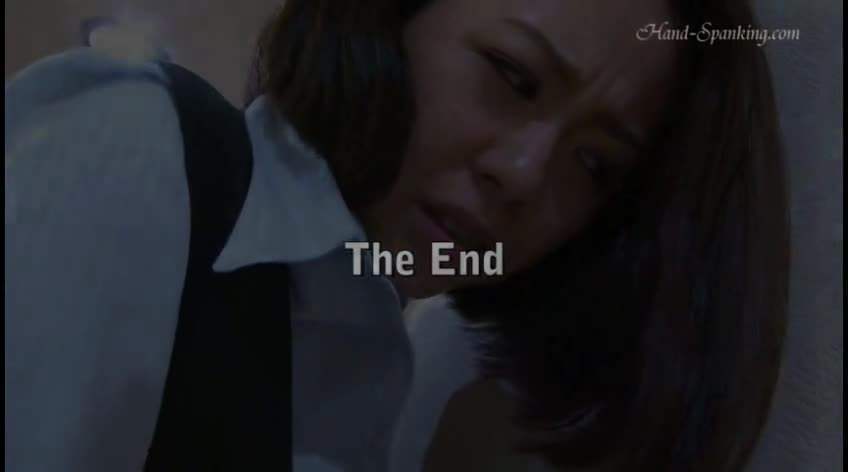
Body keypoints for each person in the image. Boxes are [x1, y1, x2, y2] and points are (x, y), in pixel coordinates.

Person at [4, 0, 790, 471]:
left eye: (594, 163)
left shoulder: (374, 348)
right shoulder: (135, 149)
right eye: (512, 75)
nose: (524, 174)